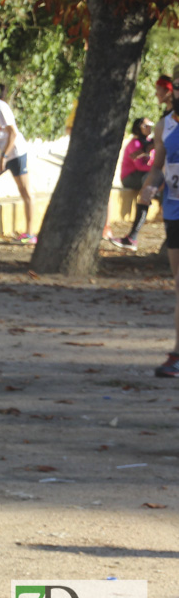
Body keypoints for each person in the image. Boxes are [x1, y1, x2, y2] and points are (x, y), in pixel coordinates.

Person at [138, 66, 179, 378]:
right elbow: (160, 165)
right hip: (175, 211)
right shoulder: (167, 125)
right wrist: (149, 187)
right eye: (177, 86)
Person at [0, 77, 36, 244]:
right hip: (1, 157)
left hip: (15, 154)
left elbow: (13, 133)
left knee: (25, 191)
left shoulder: (1, 108)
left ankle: (30, 234)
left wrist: (4, 156)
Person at [109, 117, 156, 250]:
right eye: (146, 126)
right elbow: (140, 166)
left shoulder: (150, 144)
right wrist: (156, 170)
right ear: (139, 127)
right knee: (149, 179)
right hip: (130, 177)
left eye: (151, 125)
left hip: (143, 176)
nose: (150, 128)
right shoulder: (135, 144)